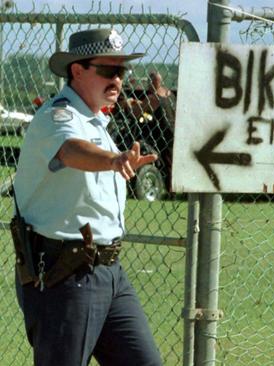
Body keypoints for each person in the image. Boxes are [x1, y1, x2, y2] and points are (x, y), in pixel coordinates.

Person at [12, 28, 162, 365]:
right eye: (108, 71)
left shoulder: (95, 122)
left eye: (122, 72)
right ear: (77, 70)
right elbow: (70, 151)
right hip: (65, 272)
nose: (118, 80)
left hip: (108, 272)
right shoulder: (57, 116)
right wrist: (113, 161)